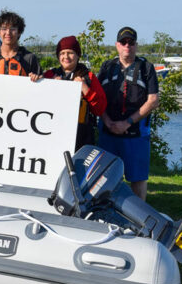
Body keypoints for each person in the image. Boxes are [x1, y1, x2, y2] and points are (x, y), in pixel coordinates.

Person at [97, 26, 159, 201]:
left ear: (136, 45)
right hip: (108, 132)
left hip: (136, 134)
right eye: (123, 42)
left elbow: (153, 100)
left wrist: (128, 122)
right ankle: (104, 213)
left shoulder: (146, 68)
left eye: (131, 43)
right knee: (105, 177)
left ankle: (139, 220)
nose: (127, 46)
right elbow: (97, 97)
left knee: (137, 178)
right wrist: (108, 122)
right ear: (117, 45)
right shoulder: (107, 67)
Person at [36, 36, 106, 150]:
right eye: (62, 53)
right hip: (52, 135)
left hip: (81, 138)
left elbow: (100, 109)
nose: (66, 57)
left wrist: (85, 89)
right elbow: (36, 102)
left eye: (70, 53)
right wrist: (50, 86)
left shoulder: (88, 77)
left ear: (78, 55)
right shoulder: (50, 75)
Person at [0, 11, 41, 77]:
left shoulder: (29, 59)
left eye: (12, 29)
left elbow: (41, 84)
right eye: (4, 29)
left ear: (19, 32)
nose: (8, 32)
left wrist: (37, 78)